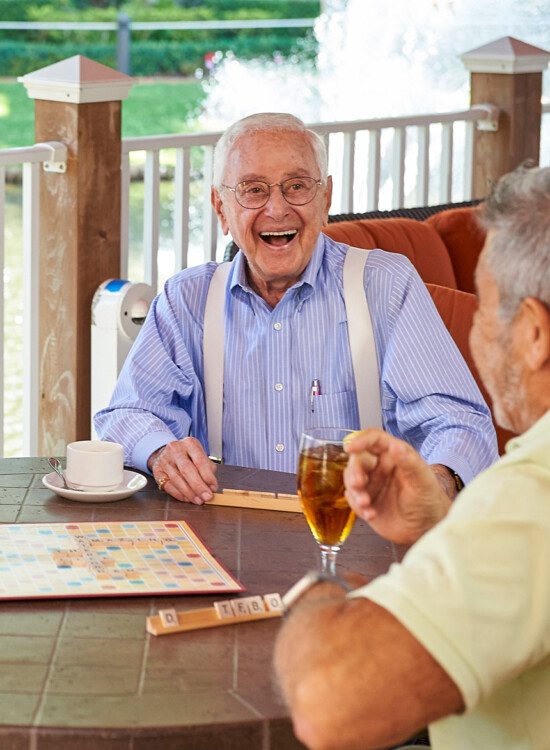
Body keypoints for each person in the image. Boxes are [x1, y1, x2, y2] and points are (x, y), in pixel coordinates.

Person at [274, 163, 550, 749]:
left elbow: (329, 707)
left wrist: (318, 593)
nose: (472, 332)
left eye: (483, 307)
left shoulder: (531, 496)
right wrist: (445, 529)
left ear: (533, 335)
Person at [94, 112, 497, 504]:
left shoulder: (386, 285)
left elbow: (459, 423)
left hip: (362, 541)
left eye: (297, 186)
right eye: (254, 190)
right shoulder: (187, 299)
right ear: (221, 209)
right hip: (229, 537)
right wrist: (161, 451)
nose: (277, 209)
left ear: (325, 200)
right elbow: (127, 413)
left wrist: (440, 480)